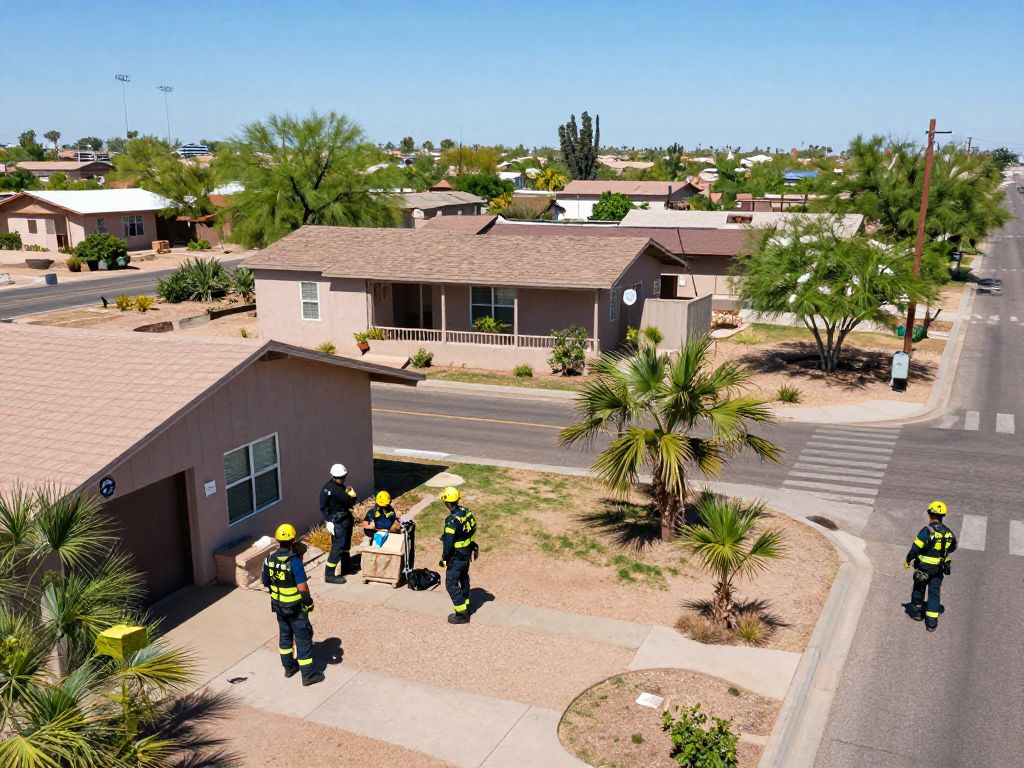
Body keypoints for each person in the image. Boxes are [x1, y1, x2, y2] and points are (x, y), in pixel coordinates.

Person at [261, 523, 324, 686]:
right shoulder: (294, 562)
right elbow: (302, 587)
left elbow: (266, 582)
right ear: (293, 540)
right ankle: (308, 676)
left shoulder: (269, 560)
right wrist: (308, 602)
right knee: (303, 640)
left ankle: (289, 668)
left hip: (278, 606)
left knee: (285, 637)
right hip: (296, 608)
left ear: (277, 540)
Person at [904, 500, 958, 632]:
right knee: (934, 594)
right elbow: (952, 548)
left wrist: (908, 560)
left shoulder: (927, 531)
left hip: (923, 569)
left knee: (918, 589)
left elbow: (915, 549)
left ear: (929, 514)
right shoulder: (948, 533)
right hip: (938, 570)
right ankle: (931, 623)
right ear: (942, 516)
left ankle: (917, 614)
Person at [438, 486, 478, 625]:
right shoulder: (466, 512)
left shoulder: (451, 520)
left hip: (456, 556)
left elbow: (448, 544)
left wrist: (444, 558)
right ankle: (466, 603)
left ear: (447, 503)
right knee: (463, 577)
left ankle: (462, 614)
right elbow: (473, 527)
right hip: (467, 553)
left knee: (451, 583)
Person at [320, 463, 357, 584]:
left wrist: (328, 519)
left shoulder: (332, 487)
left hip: (344, 519)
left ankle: (346, 566)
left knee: (346, 545)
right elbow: (350, 502)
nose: (343, 479)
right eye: (341, 478)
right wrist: (352, 494)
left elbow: (323, 507)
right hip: (338, 522)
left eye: (344, 477)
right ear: (334, 477)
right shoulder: (335, 490)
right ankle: (329, 574)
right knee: (338, 547)